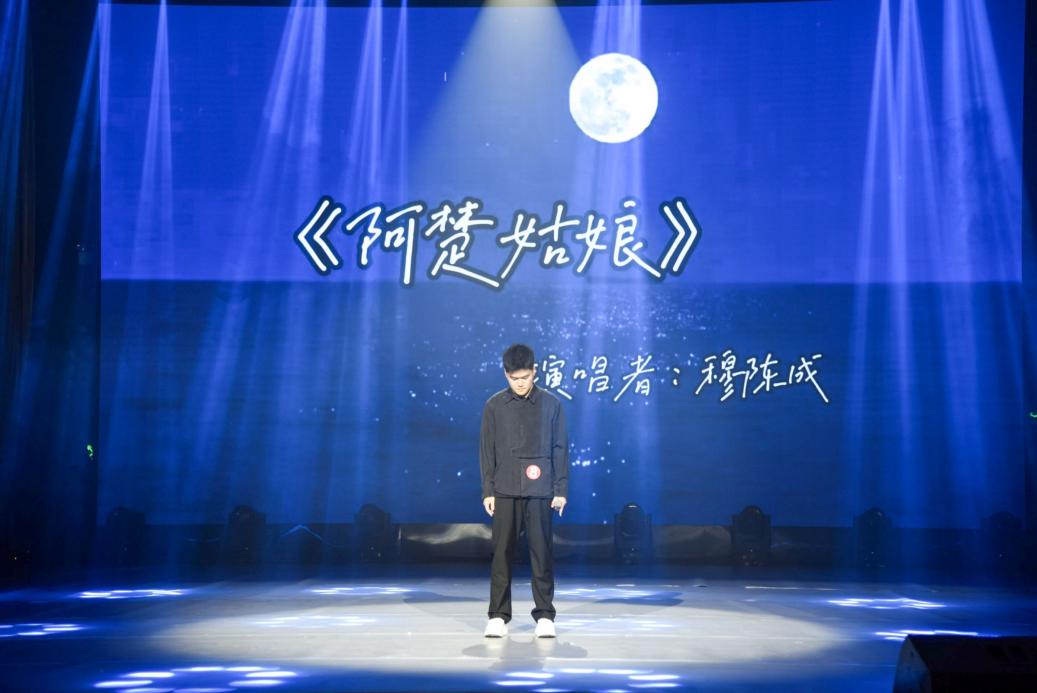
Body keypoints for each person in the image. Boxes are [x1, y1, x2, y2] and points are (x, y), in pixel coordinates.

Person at [479, 343, 569, 638]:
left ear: (535, 371)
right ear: (505, 374)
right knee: (501, 553)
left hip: (540, 489)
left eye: (525, 377)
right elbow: (486, 450)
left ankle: (544, 615)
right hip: (504, 487)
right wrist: (488, 490)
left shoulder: (552, 404)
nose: (520, 383)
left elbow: (560, 448)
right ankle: (498, 615)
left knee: (541, 551)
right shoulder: (494, 406)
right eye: (514, 378)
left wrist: (560, 489)